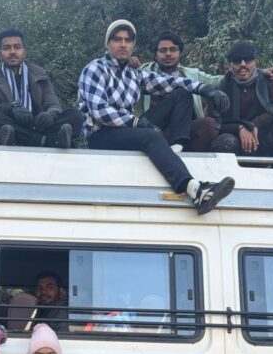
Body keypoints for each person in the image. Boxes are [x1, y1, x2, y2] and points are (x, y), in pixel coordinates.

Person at [78, 19, 235, 216]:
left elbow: (169, 82)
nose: (123, 44)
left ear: (133, 45)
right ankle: (196, 190)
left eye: (128, 40)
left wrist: (205, 89)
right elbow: (99, 111)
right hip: (101, 135)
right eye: (117, 39)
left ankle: (175, 150)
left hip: (128, 129)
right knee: (149, 136)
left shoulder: (134, 73)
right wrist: (136, 122)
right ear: (108, 43)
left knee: (181, 92)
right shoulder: (95, 69)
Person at [138, 31, 273, 152]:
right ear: (155, 54)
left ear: (180, 52)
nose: (168, 54)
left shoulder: (191, 75)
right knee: (183, 92)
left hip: (181, 131)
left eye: (173, 49)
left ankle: (186, 155)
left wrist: (256, 71)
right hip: (151, 127)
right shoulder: (141, 72)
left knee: (210, 124)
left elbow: (221, 79)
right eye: (163, 50)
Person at [191, 40, 273, 157]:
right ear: (230, 65)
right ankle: (228, 174)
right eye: (237, 60)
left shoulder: (267, 80)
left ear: (254, 62)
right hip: (237, 142)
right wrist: (240, 128)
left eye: (247, 59)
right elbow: (214, 123)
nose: (243, 64)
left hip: (264, 137)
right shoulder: (222, 87)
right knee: (224, 141)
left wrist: (255, 124)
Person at [0, 28, 84, 149]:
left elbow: (54, 105)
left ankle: (34, 138)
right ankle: (46, 141)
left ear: (24, 52)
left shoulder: (39, 74)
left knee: (75, 116)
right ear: (0, 53)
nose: (12, 52)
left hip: (39, 124)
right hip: (13, 123)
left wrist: (49, 115)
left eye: (17, 47)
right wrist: (13, 108)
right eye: (7, 48)